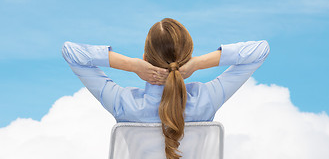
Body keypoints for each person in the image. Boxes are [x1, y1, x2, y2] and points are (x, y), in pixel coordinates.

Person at [62, 18, 270, 159]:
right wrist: (198, 63)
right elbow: (260, 51)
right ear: (186, 58)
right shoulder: (206, 99)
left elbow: (72, 53)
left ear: (146, 58)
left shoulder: (124, 105)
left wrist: (132, 65)